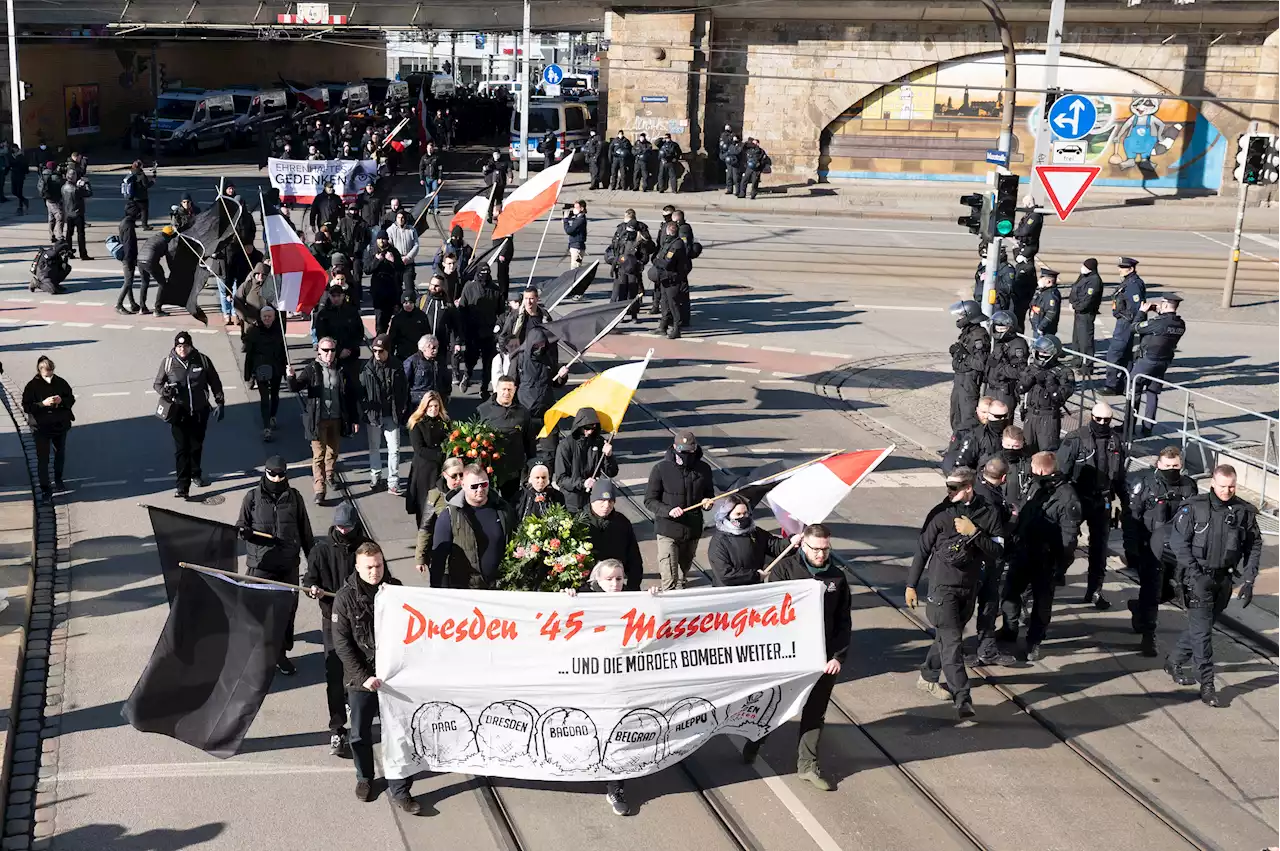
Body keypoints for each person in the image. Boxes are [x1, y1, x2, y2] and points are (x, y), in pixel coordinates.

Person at [742, 523, 849, 791]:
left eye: (826, 549)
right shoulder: (784, 570)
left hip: (822, 659)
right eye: (816, 549)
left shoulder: (837, 577)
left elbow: (843, 621)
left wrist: (837, 656)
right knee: (775, 704)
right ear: (803, 545)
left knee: (815, 712)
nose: (821, 555)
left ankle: (808, 765)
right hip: (788, 656)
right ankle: (755, 740)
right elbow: (768, 614)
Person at [563, 558, 662, 815]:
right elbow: (560, 621)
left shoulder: (632, 597)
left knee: (617, 729)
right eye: (609, 579)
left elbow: (655, 620)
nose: (615, 584)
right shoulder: (583, 596)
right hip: (590, 677)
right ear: (597, 580)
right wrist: (566, 598)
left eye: (619, 578)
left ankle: (615, 785)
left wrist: (654, 598)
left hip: (621, 678)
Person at [905, 467, 1003, 719]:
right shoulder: (940, 514)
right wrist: (911, 584)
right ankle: (963, 698)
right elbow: (922, 550)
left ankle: (928, 677)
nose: (948, 492)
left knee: (948, 638)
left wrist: (975, 533)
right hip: (942, 589)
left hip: (969, 588)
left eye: (954, 488)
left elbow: (998, 551)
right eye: (947, 487)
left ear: (968, 488)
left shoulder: (988, 513)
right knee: (952, 644)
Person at [332, 542, 420, 812]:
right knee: (359, 735)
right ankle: (365, 777)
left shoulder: (396, 589)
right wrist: (363, 676)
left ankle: (400, 788)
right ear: (357, 568)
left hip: (393, 676)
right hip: (361, 680)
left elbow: (412, 627)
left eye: (378, 565)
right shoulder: (344, 598)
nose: (374, 571)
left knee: (399, 733)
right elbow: (343, 645)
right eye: (369, 567)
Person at [1166, 465, 1261, 707]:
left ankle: (1174, 660)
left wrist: (1249, 580)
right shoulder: (1194, 508)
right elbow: (1179, 543)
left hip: (1224, 580)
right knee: (1203, 633)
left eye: (1231, 486)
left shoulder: (1244, 512)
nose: (1227, 491)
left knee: (1204, 626)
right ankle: (1207, 683)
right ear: (1213, 484)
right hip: (1197, 579)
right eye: (1222, 486)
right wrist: (1196, 574)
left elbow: (1254, 546)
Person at [998, 452, 1081, 661]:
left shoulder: (1067, 497)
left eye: (1033, 468)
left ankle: (1034, 642)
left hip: (1046, 558)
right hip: (1023, 551)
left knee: (1042, 603)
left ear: (1042, 470)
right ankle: (1009, 629)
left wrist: (1060, 566)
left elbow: (1069, 539)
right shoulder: (1037, 485)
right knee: (1010, 592)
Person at [302, 499, 370, 757]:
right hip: (332, 619)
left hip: (361, 621)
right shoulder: (320, 551)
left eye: (348, 527)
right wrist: (313, 589)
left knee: (361, 670)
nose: (344, 531)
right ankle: (337, 727)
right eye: (340, 527)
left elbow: (378, 575)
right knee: (334, 674)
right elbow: (310, 580)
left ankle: (360, 719)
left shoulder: (364, 549)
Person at [237, 456, 314, 676]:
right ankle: (255, 655)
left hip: (288, 565)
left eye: (282, 474)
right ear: (265, 473)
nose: (278, 478)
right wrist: (245, 532)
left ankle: (280, 654)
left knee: (286, 613)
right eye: (273, 474)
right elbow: (240, 526)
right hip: (260, 564)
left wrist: (314, 566)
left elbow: (306, 532)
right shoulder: (251, 498)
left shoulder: (295, 498)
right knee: (257, 613)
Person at [1124, 446, 1197, 657]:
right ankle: (1149, 636)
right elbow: (1131, 518)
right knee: (1152, 589)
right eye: (1167, 466)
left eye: (1175, 466)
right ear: (1158, 465)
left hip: (1177, 548)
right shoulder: (1145, 484)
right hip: (1151, 548)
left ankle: (1139, 607)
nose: (1171, 469)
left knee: (1170, 591)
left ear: (1181, 465)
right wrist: (1132, 548)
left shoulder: (1188, 486)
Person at [1057, 401, 1127, 607]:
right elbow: (1061, 473)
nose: (1103, 423)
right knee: (1066, 542)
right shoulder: (1075, 439)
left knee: (1100, 548)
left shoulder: (1115, 441)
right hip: (1077, 498)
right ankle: (1057, 572)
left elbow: (1120, 475)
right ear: (1091, 418)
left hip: (1102, 500)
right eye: (1099, 419)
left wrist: (1126, 502)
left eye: (1107, 420)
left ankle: (1095, 591)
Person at [287, 337, 361, 504]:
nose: (329, 354)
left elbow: (351, 396)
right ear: (318, 351)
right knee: (318, 455)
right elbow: (295, 388)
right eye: (325, 350)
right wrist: (291, 377)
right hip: (317, 419)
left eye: (332, 350)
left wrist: (355, 418)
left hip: (336, 418)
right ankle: (320, 488)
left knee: (333, 451)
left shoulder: (342, 369)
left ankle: (329, 474)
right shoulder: (312, 369)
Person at [153, 332, 225, 499]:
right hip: (178, 413)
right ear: (175, 347)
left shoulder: (202, 360)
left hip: (200, 411)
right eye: (179, 346)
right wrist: (165, 391)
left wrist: (220, 402)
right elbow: (157, 383)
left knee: (196, 445)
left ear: (191, 346)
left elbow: (214, 381)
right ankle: (182, 486)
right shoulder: (168, 362)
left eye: (185, 346)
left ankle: (196, 473)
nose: (182, 349)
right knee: (181, 449)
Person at [644, 431, 714, 590]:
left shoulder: (704, 469)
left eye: (690, 451)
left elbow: (709, 494)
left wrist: (707, 502)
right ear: (675, 448)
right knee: (669, 579)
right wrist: (668, 511)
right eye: (683, 452)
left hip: (692, 530)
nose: (687, 455)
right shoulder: (660, 469)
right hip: (668, 529)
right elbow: (649, 500)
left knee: (683, 575)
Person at [429, 465, 516, 589]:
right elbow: (438, 560)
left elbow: (516, 543)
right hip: (465, 589)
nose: (480, 489)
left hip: (500, 587)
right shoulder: (449, 515)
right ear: (463, 485)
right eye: (474, 486)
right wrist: (437, 592)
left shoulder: (503, 509)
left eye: (484, 484)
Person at [1131, 293, 1186, 437]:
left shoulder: (1158, 322)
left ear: (1166, 304)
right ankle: (1147, 427)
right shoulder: (1180, 324)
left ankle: (1129, 425)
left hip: (1146, 361)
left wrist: (1142, 312)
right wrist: (1160, 313)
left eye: (1162, 303)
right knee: (1152, 393)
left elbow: (1134, 327)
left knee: (1134, 391)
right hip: (1163, 362)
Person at [360, 334, 410, 495]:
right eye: (374, 350)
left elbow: (404, 390)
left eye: (380, 351)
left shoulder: (397, 367)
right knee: (374, 447)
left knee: (394, 449)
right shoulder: (367, 369)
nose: (377, 354)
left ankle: (393, 481)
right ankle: (375, 476)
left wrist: (402, 409)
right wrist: (365, 410)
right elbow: (361, 391)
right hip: (374, 415)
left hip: (391, 414)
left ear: (387, 350)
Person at [707, 496, 794, 587]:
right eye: (738, 514)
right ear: (727, 515)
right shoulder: (719, 542)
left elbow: (774, 545)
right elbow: (725, 574)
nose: (742, 517)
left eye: (745, 513)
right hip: (730, 592)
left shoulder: (755, 532)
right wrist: (755, 576)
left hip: (754, 586)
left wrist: (790, 542)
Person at [21, 356, 75, 496]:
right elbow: (27, 406)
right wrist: (42, 404)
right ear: (40, 371)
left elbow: (71, 398)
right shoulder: (32, 386)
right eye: (47, 374)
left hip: (59, 425)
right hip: (41, 427)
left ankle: (58, 480)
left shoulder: (60, 382)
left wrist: (61, 400)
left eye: (51, 373)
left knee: (59, 453)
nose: (50, 377)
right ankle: (45, 487)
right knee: (43, 457)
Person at [478, 375, 536, 503]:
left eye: (510, 390)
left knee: (511, 505)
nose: (506, 393)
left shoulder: (523, 413)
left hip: (513, 470)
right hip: (490, 469)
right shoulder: (483, 410)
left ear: (515, 390)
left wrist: (531, 467)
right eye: (503, 389)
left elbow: (530, 442)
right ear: (496, 389)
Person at [579, 479, 644, 590]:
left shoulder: (622, 522)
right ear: (592, 501)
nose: (606, 505)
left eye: (610, 501)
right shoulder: (579, 522)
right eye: (602, 500)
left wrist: (633, 586)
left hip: (615, 585)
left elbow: (634, 558)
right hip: (587, 587)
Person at [1016, 335, 1074, 454]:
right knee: (1027, 449)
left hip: (1048, 417)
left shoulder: (1063, 372)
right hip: (1031, 414)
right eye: (1039, 353)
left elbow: (1060, 396)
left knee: (1047, 453)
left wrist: (1050, 382)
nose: (1041, 356)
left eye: (1045, 354)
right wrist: (1030, 379)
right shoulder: (1031, 368)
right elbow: (1019, 389)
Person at [554, 407, 619, 514]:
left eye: (593, 428)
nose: (589, 432)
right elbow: (561, 479)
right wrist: (583, 483)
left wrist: (609, 456)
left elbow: (611, 472)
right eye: (587, 428)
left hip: (593, 499)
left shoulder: (599, 441)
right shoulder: (565, 445)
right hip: (572, 502)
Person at [404, 390, 450, 525]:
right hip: (424, 470)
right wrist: (441, 455)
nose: (433, 409)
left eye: (436, 406)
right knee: (424, 505)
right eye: (430, 407)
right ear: (424, 407)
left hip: (440, 469)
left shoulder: (445, 421)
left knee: (441, 503)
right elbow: (419, 449)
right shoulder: (416, 423)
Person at [457, 265, 503, 398]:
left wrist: (498, 327)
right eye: (482, 273)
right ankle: (467, 375)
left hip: (489, 332)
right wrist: (463, 330)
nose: (485, 276)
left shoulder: (495, 290)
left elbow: (500, 311)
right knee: (470, 358)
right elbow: (462, 309)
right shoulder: (469, 287)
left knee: (488, 362)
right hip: (473, 331)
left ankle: (484, 387)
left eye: (487, 273)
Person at [413, 458, 466, 573]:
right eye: (454, 476)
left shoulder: (469, 492)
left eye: (461, 475)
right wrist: (420, 558)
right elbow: (425, 527)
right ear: (445, 475)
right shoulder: (435, 495)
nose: (458, 480)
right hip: (445, 551)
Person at [243, 306, 288, 442]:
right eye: (265, 316)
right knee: (264, 398)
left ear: (274, 317)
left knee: (274, 394)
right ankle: (266, 427)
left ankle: (272, 416)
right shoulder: (254, 332)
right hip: (261, 368)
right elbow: (249, 355)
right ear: (261, 317)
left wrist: (286, 369)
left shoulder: (279, 330)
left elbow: (283, 350)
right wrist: (248, 374)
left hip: (276, 367)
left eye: (270, 316)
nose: (267, 319)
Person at [1103, 257, 1146, 394]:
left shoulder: (1133, 284)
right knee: (1126, 355)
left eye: (1123, 267)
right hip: (1124, 322)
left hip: (1125, 324)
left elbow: (1136, 307)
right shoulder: (1128, 282)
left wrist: (1126, 318)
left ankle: (1112, 385)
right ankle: (1125, 384)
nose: (1120, 270)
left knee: (1114, 354)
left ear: (1131, 269)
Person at [948, 301, 989, 434]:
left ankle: (967, 447)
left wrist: (964, 356)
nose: (959, 319)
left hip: (969, 381)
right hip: (960, 380)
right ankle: (956, 445)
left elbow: (980, 363)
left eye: (961, 316)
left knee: (967, 417)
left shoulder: (979, 336)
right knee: (956, 415)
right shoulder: (967, 332)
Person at [312, 283, 365, 381]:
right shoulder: (323, 314)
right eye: (333, 296)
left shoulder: (352, 311)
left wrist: (349, 349)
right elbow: (321, 336)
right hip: (331, 356)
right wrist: (338, 351)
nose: (336, 298)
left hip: (351, 354)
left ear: (343, 296)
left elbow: (359, 332)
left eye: (338, 296)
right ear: (329, 296)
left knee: (352, 383)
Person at [943, 398, 1010, 475]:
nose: (1002, 419)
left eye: (1005, 416)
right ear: (989, 415)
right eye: (998, 417)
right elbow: (959, 463)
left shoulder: (1010, 434)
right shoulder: (974, 436)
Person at [984, 310, 1028, 409]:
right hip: (991, 389)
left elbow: (1020, 371)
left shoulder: (1018, 344)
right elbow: (992, 365)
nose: (998, 330)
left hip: (1004, 392)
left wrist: (1002, 369)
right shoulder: (999, 343)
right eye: (997, 327)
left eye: (1002, 328)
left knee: (1002, 422)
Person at [1069, 258, 1104, 367]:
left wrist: (1076, 306)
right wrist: (1072, 302)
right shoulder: (1083, 277)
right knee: (1077, 339)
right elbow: (1075, 289)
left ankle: (1087, 365)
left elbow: (1088, 300)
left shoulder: (1094, 281)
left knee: (1086, 342)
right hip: (1078, 312)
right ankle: (1077, 361)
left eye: (1085, 267)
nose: (1082, 268)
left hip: (1086, 314)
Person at [404, 334, 451, 410]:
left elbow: (446, 379)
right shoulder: (412, 362)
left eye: (437, 347)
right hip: (418, 403)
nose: (435, 350)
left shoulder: (440, 361)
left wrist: (447, 394)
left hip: (437, 402)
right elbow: (404, 382)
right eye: (432, 348)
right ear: (424, 348)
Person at [137, 226, 176, 316]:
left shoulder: (154, 237)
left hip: (140, 260)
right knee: (162, 284)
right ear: (170, 235)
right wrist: (173, 271)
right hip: (150, 261)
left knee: (144, 283)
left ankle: (142, 308)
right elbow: (169, 259)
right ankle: (157, 310)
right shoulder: (166, 241)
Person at [386, 290, 431, 363]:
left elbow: (427, 335)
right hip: (402, 354)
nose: (408, 305)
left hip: (418, 353)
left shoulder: (421, 316)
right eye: (405, 303)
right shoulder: (397, 319)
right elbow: (392, 339)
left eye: (411, 303)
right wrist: (390, 356)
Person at [385, 209, 420, 299]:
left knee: (409, 288)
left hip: (408, 263)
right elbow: (389, 246)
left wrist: (408, 257)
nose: (400, 220)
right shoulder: (390, 230)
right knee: (396, 287)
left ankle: (411, 304)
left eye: (402, 218)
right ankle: (398, 306)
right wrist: (396, 258)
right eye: (398, 217)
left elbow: (416, 245)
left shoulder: (412, 230)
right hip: (396, 263)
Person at [60, 175, 92, 260]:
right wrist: (87, 183)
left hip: (69, 213)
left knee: (69, 234)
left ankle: (68, 252)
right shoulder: (76, 189)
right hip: (78, 213)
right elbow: (89, 193)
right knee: (81, 234)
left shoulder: (63, 187)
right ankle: (83, 254)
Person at [1028, 268, 1060, 339]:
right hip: (1037, 324)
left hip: (1044, 330)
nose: (1039, 281)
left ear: (1048, 281)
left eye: (1042, 278)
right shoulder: (1042, 291)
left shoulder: (1051, 295)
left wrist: (1041, 327)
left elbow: (1051, 313)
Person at [37, 161, 64, 242]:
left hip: (47, 199)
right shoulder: (56, 177)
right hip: (56, 200)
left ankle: (51, 235)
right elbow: (62, 186)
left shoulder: (43, 175)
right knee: (60, 217)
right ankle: (60, 236)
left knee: (51, 217)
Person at [124, 160, 155, 229]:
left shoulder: (131, 173)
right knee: (144, 211)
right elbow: (146, 185)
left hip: (132, 195)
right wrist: (152, 182)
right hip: (141, 196)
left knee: (134, 211)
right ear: (140, 166)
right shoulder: (141, 175)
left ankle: (132, 223)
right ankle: (145, 225)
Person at [482, 151, 509, 223]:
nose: (496, 156)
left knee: (499, 200)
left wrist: (510, 177)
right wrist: (486, 169)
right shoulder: (490, 163)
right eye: (495, 154)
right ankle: (490, 216)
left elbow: (508, 170)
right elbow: (485, 171)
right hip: (491, 184)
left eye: (497, 154)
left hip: (500, 184)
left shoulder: (503, 163)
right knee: (491, 200)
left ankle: (497, 215)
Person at [563, 200, 587, 270]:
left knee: (575, 267)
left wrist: (565, 220)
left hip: (577, 248)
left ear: (581, 209)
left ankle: (575, 280)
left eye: (576, 207)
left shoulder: (580, 220)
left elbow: (569, 231)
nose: (574, 209)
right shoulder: (579, 217)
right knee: (577, 265)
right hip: (578, 247)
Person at [418, 141, 443, 209]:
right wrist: (421, 179)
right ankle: (429, 207)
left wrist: (440, 177)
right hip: (427, 178)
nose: (429, 149)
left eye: (431, 148)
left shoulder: (436, 157)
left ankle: (436, 207)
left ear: (433, 149)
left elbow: (440, 168)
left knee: (435, 193)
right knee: (428, 194)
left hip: (434, 178)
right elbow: (421, 169)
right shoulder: (424, 158)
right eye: (428, 148)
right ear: (426, 148)